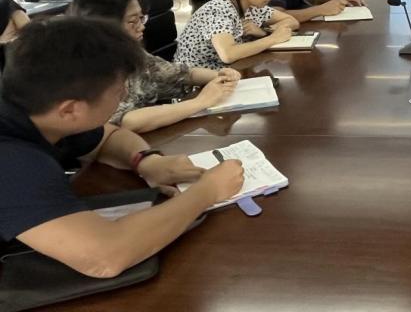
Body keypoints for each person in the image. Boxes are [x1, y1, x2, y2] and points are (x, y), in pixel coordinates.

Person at [0, 17, 244, 278]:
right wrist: (207, 191)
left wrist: (146, 161)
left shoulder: (41, 110)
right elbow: (104, 257)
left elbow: (109, 136)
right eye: (118, 91)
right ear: (70, 109)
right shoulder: (12, 160)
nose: (125, 96)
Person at [69, 0, 240, 133]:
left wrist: (220, 75)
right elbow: (125, 122)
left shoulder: (130, 52)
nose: (141, 26)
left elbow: (181, 73)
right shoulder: (88, 70)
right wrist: (200, 102)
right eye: (133, 21)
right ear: (102, 25)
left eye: (141, 18)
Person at [175, 0, 299, 69]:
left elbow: (292, 21)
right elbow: (228, 54)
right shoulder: (217, 10)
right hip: (196, 81)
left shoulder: (253, 7)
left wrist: (264, 31)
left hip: (230, 72)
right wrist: (272, 38)